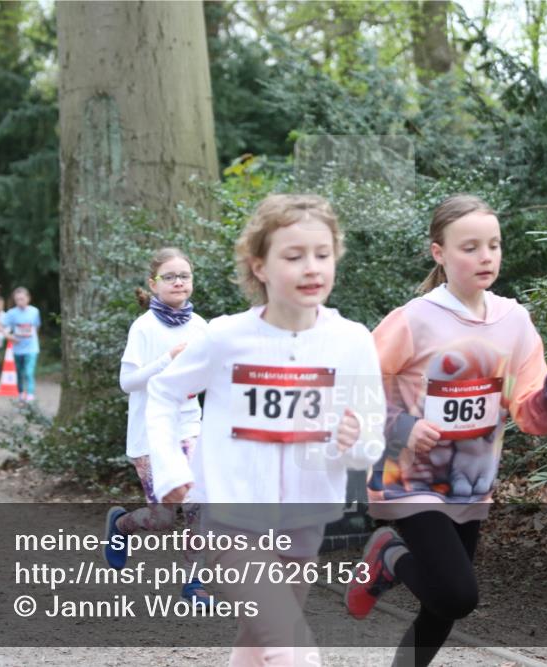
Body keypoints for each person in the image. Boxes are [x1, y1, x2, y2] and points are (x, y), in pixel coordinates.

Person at [147, 194, 386, 666]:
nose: (311, 267)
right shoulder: (225, 337)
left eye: (322, 254)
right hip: (232, 523)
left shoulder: (352, 340)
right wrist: (171, 468)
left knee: (259, 644)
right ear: (260, 266)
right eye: (294, 256)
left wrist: (355, 438)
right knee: (290, 645)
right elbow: (162, 393)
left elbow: (370, 438)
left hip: (303, 523)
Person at [344, 194, 547, 667]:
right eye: (469, 247)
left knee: (441, 608)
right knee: (457, 595)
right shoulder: (414, 319)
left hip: (470, 482)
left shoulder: (514, 321)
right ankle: (388, 553)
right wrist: (403, 425)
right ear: (439, 253)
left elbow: (529, 409)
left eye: (493, 245)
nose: (486, 256)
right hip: (407, 478)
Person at [103, 247, 211, 607]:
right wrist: (168, 359)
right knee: (163, 518)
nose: (179, 281)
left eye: (185, 276)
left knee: (199, 504)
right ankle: (121, 525)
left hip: (189, 426)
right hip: (150, 434)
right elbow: (127, 382)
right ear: (154, 284)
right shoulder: (144, 327)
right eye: (170, 276)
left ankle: (194, 584)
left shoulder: (201, 327)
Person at [2, 287, 41, 403]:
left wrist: (33, 338)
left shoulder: (35, 311)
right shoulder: (11, 313)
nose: (20, 302)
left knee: (29, 371)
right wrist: (9, 336)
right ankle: (20, 393)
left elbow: (37, 327)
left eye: (22, 299)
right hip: (17, 349)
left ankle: (30, 394)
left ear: (28, 299)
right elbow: (3, 328)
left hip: (32, 348)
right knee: (19, 372)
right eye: (17, 299)